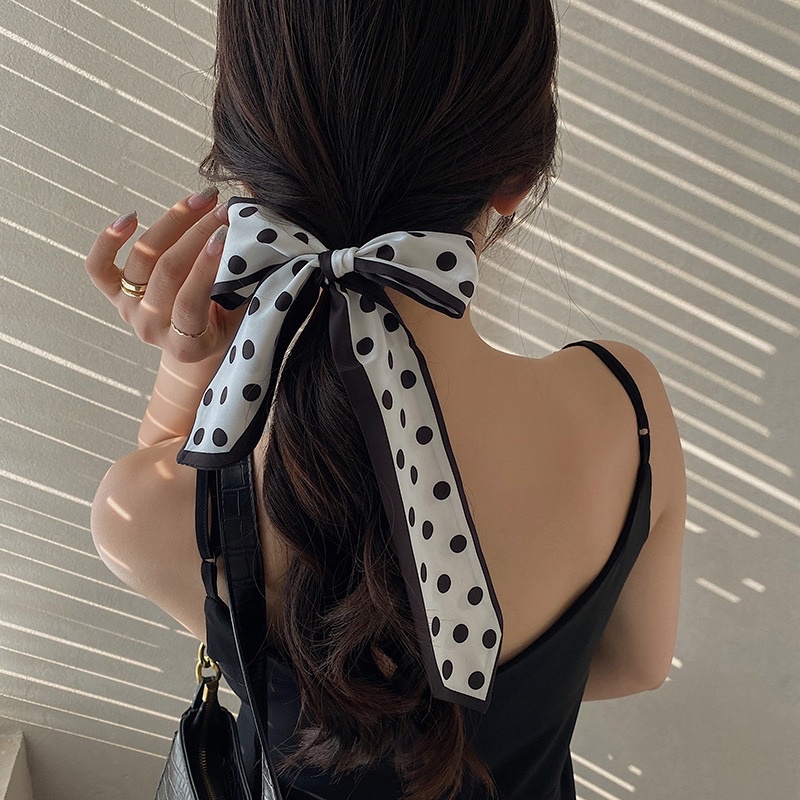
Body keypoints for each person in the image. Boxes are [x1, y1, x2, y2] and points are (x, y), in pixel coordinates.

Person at [85, 1, 686, 798]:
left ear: (245, 178)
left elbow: (173, 488)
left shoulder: (141, 514)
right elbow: (638, 664)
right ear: (518, 177)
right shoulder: (624, 411)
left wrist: (188, 365)